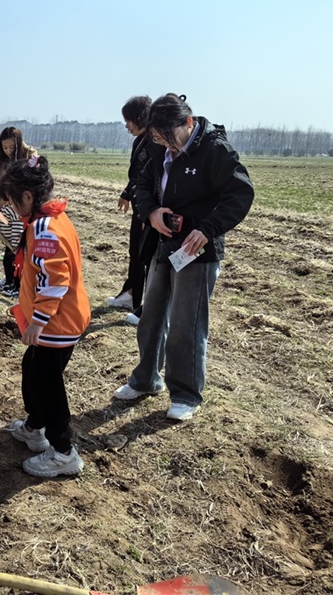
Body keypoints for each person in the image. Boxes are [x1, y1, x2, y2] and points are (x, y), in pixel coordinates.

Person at [112, 94, 254, 421]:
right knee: (151, 317)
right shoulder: (161, 146)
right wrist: (151, 212)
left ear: (188, 123)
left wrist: (208, 229)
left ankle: (186, 394)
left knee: (185, 326)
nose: (165, 146)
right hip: (164, 243)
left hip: (196, 250)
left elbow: (240, 193)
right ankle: (146, 379)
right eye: (158, 139)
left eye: (168, 138)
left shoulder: (215, 151)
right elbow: (142, 184)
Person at [0, 155, 91, 478]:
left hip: (56, 322)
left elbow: (54, 279)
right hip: (57, 320)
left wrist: (38, 320)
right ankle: (34, 427)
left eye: (12, 201)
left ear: (27, 197)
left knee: (48, 384)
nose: (11, 208)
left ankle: (64, 451)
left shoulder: (46, 229)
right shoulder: (50, 220)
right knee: (33, 370)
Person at [106, 95, 160, 326]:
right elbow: (138, 174)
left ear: (141, 118)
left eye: (129, 120)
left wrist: (148, 213)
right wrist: (127, 194)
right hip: (140, 206)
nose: (127, 126)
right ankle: (131, 294)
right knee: (135, 253)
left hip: (150, 211)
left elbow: (153, 179)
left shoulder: (156, 142)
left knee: (147, 257)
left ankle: (146, 307)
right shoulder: (140, 140)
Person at [0, 127, 37, 297]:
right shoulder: (2, 161)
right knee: (8, 242)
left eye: (12, 147)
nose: (8, 151)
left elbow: (36, 180)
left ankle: (18, 283)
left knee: (19, 245)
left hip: (24, 208)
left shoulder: (30, 155)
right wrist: (3, 198)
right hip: (9, 207)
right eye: (4, 148)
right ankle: (9, 278)